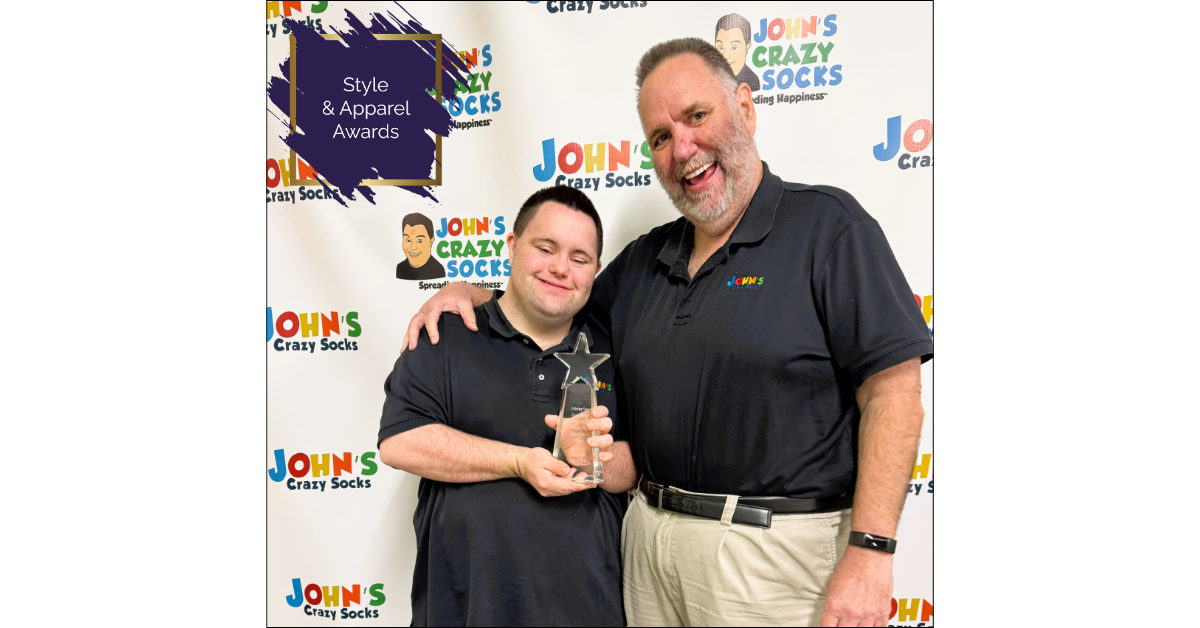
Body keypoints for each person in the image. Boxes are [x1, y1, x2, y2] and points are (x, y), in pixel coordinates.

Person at [405, 38, 932, 628]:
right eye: (660, 136)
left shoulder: (829, 228)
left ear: (746, 108)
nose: (682, 148)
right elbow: (556, 297)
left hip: (776, 558)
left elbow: (894, 394)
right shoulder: (642, 263)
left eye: (696, 116)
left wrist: (872, 550)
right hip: (649, 550)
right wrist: (471, 291)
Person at [379, 186, 637, 626]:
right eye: (545, 248)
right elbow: (400, 442)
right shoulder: (446, 333)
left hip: (587, 609)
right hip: (465, 610)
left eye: (579, 258)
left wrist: (596, 456)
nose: (560, 268)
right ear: (513, 246)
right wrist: (518, 462)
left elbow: (635, 467)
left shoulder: (617, 350)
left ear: (596, 270)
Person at [714, 14, 760, 92]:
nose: (726, 55)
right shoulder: (709, 78)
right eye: (721, 47)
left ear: (747, 46)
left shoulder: (753, 83)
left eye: (733, 48)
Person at [395, 212, 446, 280]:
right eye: (408, 240)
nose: (412, 247)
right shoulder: (400, 268)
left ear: (431, 241)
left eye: (419, 241)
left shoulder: (438, 270)